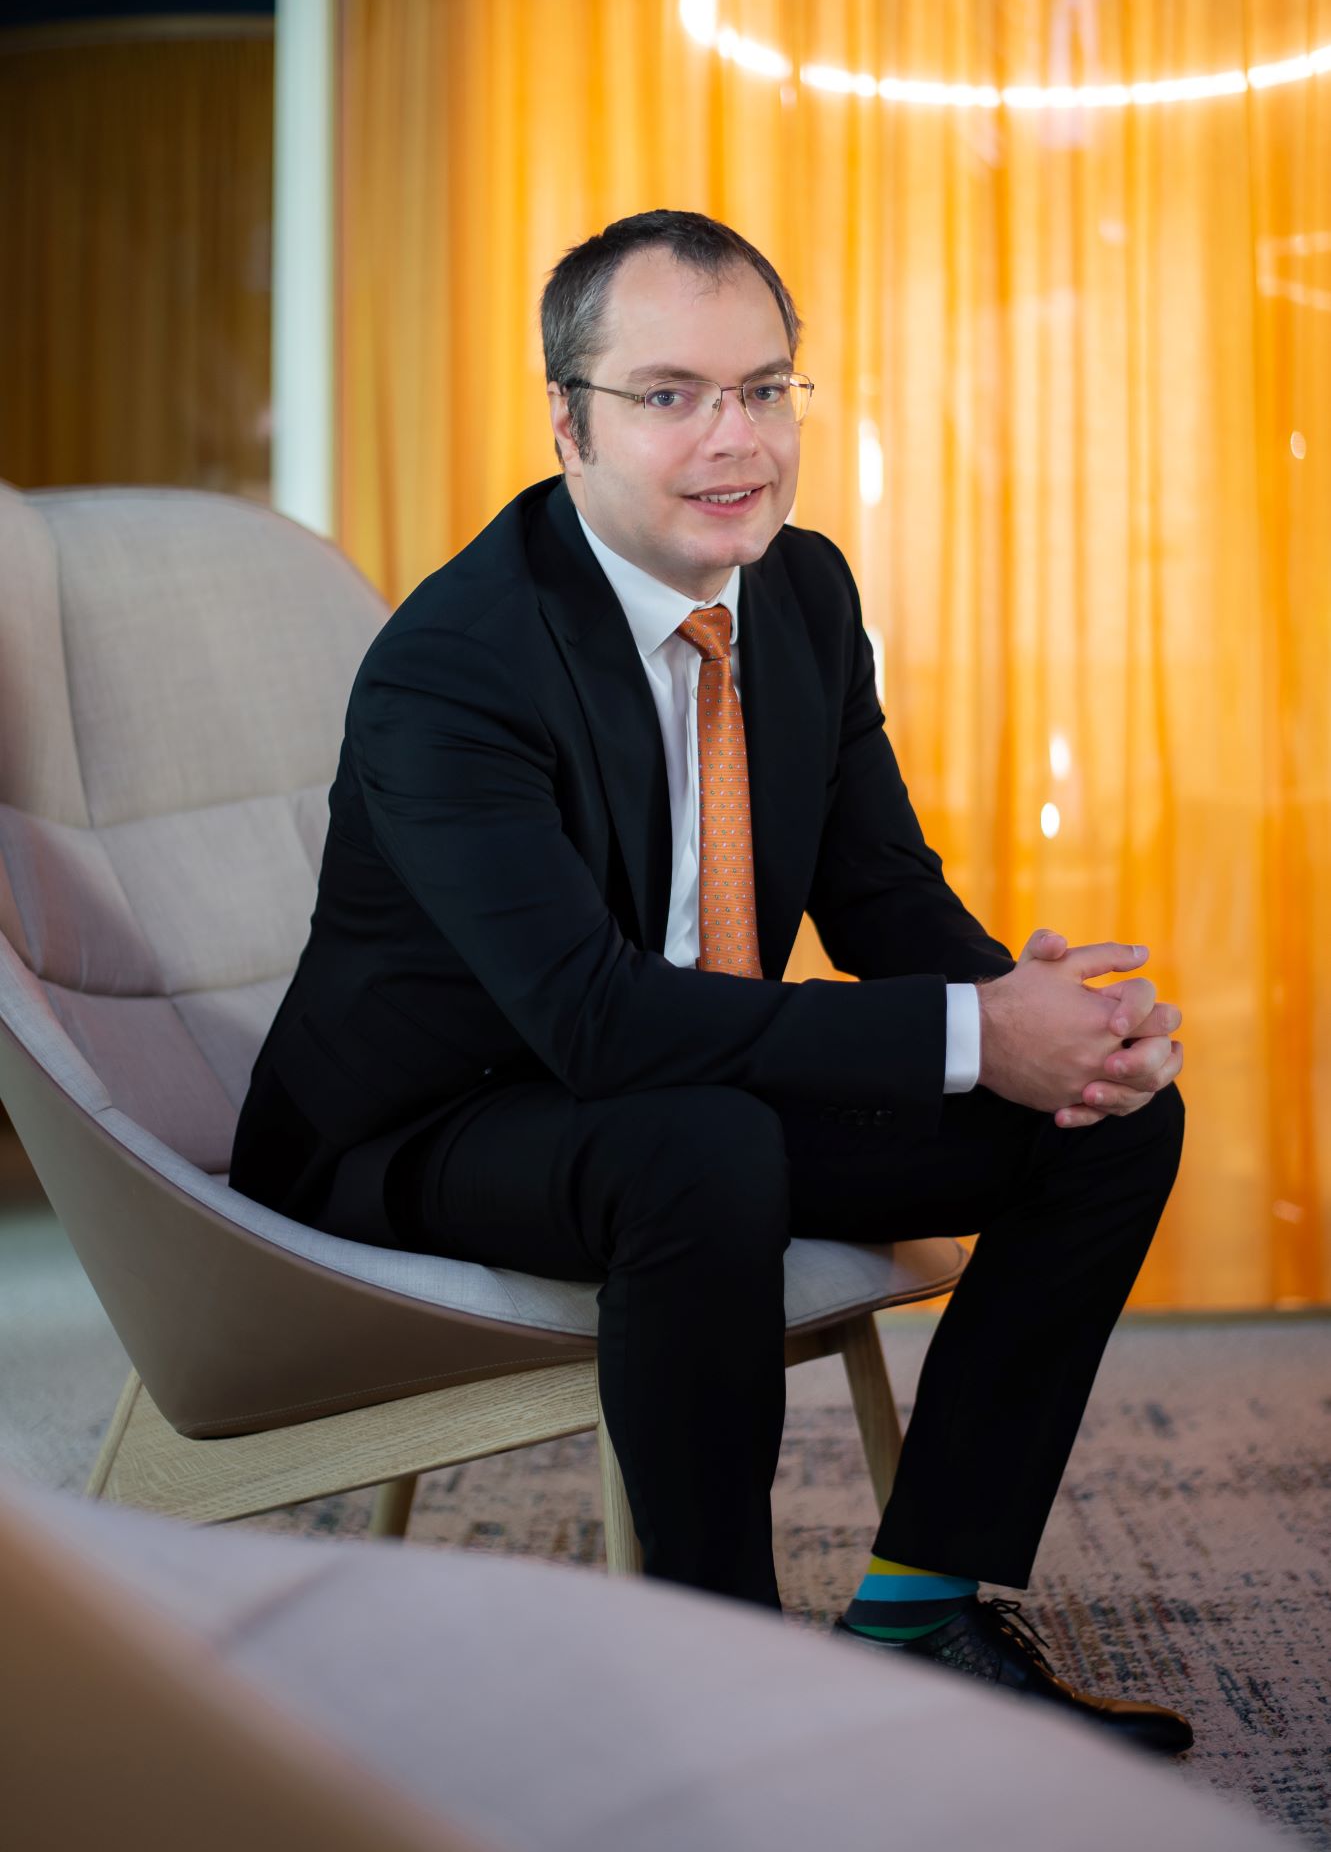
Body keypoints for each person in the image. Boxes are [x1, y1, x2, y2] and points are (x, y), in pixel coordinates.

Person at [231, 209, 1190, 1752]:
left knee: (1113, 1124)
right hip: (428, 1125)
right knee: (700, 1145)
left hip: (679, 1087)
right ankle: (723, 1687)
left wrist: (1045, 1025)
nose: (734, 439)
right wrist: (968, 1034)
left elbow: (879, 888)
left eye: (763, 388)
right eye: (670, 394)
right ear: (569, 421)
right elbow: (593, 1018)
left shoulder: (802, 592)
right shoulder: (457, 662)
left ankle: (917, 1615)